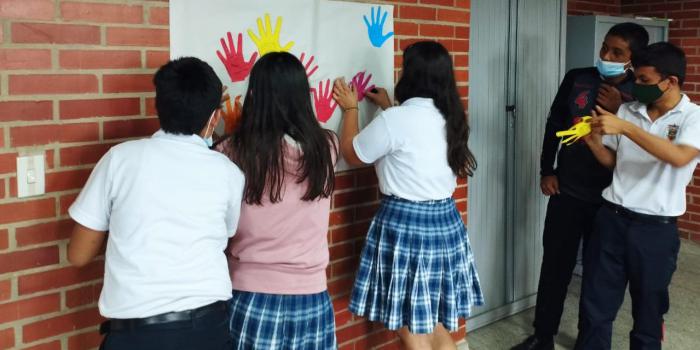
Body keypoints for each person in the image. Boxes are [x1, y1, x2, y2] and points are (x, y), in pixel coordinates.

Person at [67, 57, 245, 350]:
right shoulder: (228, 172)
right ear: (215, 118)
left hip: (137, 335)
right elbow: (225, 234)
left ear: (157, 106)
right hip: (207, 331)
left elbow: (78, 255)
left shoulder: (119, 159)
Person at [332, 41, 483, 350]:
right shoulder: (451, 117)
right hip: (445, 225)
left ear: (410, 75)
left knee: (409, 326)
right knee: (432, 321)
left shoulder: (396, 120)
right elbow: (414, 142)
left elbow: (351, 152)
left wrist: (350, 109)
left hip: (405, 227)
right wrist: (390, 108)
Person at [512, 22, 650, 350]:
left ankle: (588, 341)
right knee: (555, 268)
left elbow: (644, 147)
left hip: (610, 201)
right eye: (605, 47)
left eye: (617, 52)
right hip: (567, 191)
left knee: (598, 278)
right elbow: (555, 123)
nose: (606, 55)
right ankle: (542, 336)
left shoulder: (641, 94)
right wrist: (548, 170)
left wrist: (622, 109)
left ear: (633, 59)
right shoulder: (578, 77)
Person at [575, 42, 700, 350]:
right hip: (611, 219)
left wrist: (626, 129)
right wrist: (593, 142)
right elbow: (616, 164)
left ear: (670, 82)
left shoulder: (692, 117)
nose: (637, 87)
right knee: (595, 305)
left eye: (644, 81)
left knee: (648, 311)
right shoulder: (629, 111)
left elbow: (679, 157)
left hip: (655, 230)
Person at [215, 52, 339, 350]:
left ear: (256, 95)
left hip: (251, 292)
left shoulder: (231, 151)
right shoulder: (327, 147)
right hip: (313, 295)